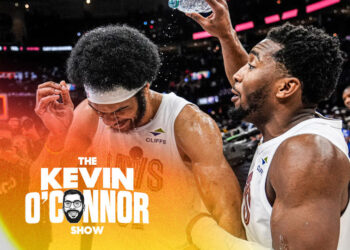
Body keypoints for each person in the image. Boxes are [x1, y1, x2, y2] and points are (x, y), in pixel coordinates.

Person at [32, 24, 244, 249]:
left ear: (145, 88)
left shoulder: (188, 124)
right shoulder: (87, 115)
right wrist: (57, 135)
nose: (110, 120)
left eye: (120, 110)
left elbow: (226, 211)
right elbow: (41, 188)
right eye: (100, 111)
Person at [186, 0, 350, 249]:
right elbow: (255, 88)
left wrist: (205, 232)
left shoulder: (305, 154)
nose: (239, 75)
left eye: (251, 66)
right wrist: (226, 36)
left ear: (286, 88)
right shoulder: (286, 130)